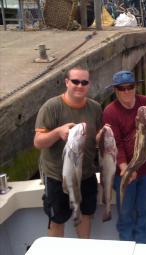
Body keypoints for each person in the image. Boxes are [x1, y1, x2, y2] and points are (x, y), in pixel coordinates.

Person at [34, 66, 102, 238]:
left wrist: (104, 137)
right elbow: (38, 142)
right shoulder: (51, 107)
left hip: (86, 174)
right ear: (66, 82)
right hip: (57, 176)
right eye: (75, 81)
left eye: (84, 82)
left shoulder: (95, 108)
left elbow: (96, 139)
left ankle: (83, 248)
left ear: (89, 84)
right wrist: (58, 132)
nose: (80, 85)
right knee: (57, 219)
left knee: (86, 214)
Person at [103, 70, 146, 243]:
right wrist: (125, 168)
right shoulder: (110, 112)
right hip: (123, 172)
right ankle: (127, 247)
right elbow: (115, 144)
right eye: (122, 88)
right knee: (126, 214)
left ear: (136, 87)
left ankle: (142, 247)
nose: (127, 91)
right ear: (115, 90)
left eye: (130, 87)